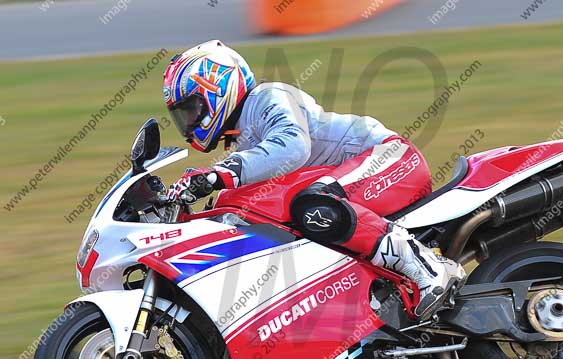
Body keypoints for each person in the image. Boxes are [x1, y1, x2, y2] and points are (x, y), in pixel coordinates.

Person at [163, 40, 465, 319]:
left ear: (217, 88)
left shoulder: (268, 97)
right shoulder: (243, 140)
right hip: (357, 184)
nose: (187, 123)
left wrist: (216, 175)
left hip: (391, 159)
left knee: (313, 204)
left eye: (191, 109)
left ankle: (429, 268)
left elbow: (292, 146)